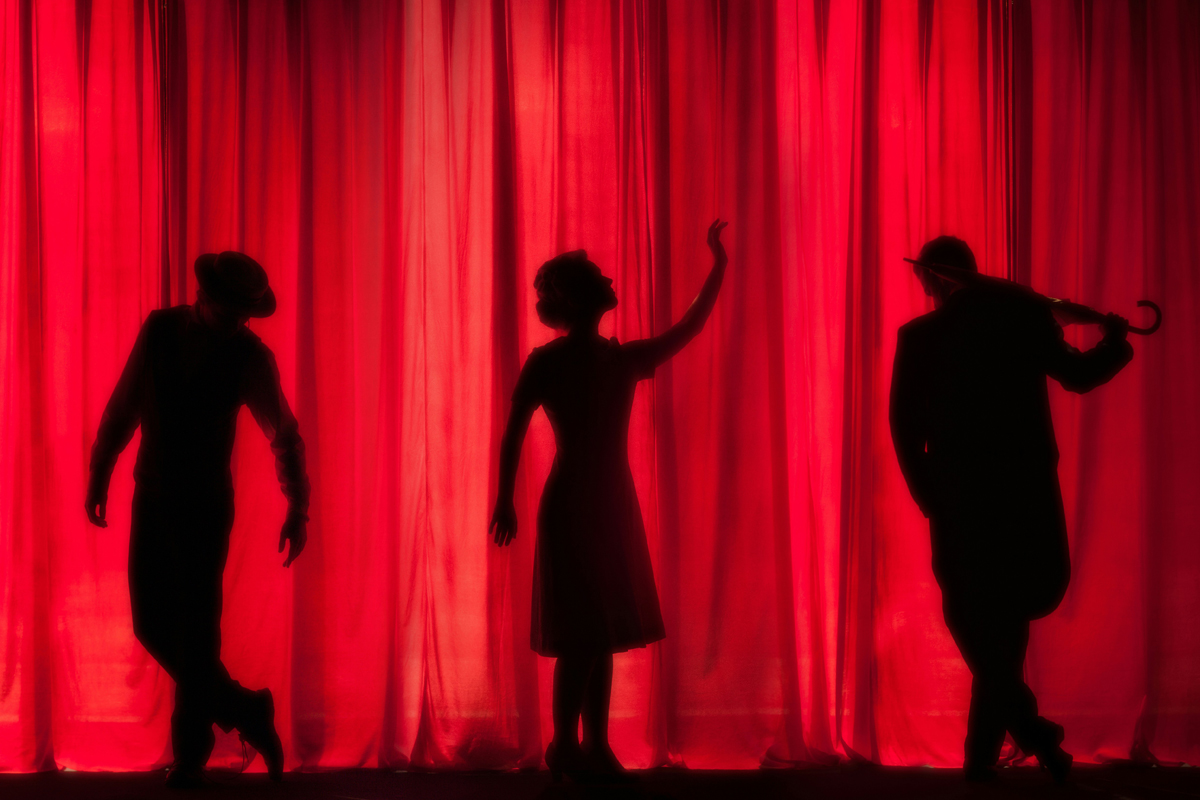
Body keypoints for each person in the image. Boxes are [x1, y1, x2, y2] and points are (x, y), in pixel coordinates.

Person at [490, 220, 729, 781]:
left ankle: (591, 744)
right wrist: (503, 499)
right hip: (573, 504)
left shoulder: (618, 358)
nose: (609, 278)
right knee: (582, 633)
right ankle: (565, 746)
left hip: (608, 503)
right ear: (575, 296)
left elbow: (691, 327)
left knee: (598, 635)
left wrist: (718, 264)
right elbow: (513, 432)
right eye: (597, 276)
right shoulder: (552, 362)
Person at [889, 236, 1134, 784]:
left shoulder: (922, 336)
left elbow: (905, 428)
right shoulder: (1022, 319)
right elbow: (1079, 375)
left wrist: (929, 494)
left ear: (932, 280)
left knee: (974, 620)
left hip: (961, 499)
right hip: (1022, 494)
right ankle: (1019, 745)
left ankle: (1002, 751)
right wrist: (1116, 342)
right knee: (1005, 626)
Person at [85, 252, 309, 788]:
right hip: (153, 492)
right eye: (228, 310)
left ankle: (191, 753)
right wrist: (100, 469)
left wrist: (297, 506)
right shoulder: (161, 329)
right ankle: (246, 710)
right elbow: (125, 405)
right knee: (152, 624)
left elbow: (284, 434)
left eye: (243, 314)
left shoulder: (249, 356)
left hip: (206, 504)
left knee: (196, 633)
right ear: (202, 296)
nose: (236, 322)